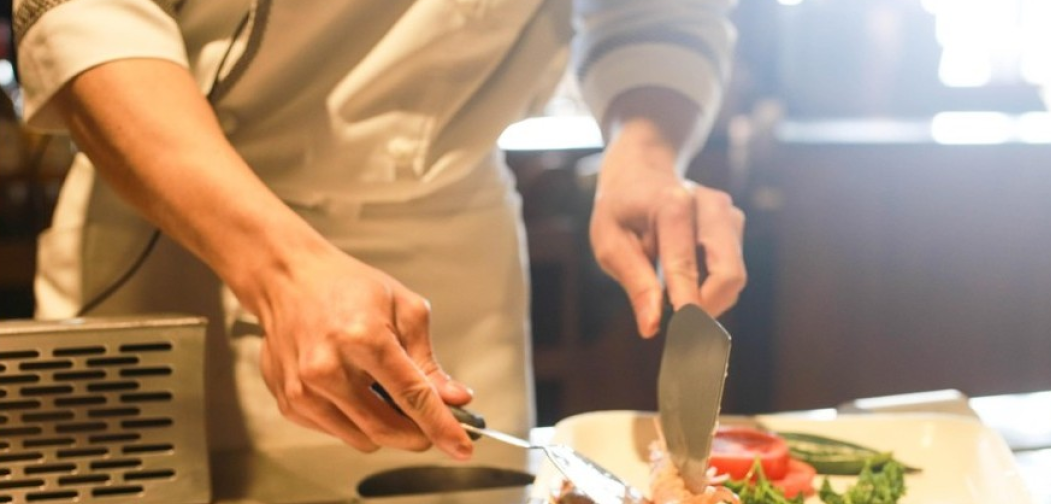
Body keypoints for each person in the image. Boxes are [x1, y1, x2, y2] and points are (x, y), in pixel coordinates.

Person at [13, 0, 746, 461]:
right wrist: (279, 270)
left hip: (449, 242)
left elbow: (657, 16)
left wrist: (645, 153)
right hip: (182, 218)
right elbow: (82, 15)